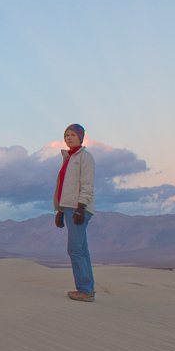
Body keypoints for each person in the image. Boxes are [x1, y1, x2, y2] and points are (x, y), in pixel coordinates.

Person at [53, 123, 96, 302]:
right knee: (82, 249)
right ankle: (88, 288)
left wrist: (81, 207)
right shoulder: (68, 158)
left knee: (75, 250)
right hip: (69, 208)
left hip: (79, 208)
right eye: (66, 135)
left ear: (80, 137)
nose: (68, 138)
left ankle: (84, 290)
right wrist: (60, 211)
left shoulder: (84, 157)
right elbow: (63, 188)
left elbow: (87, 184)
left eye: (72, 134)